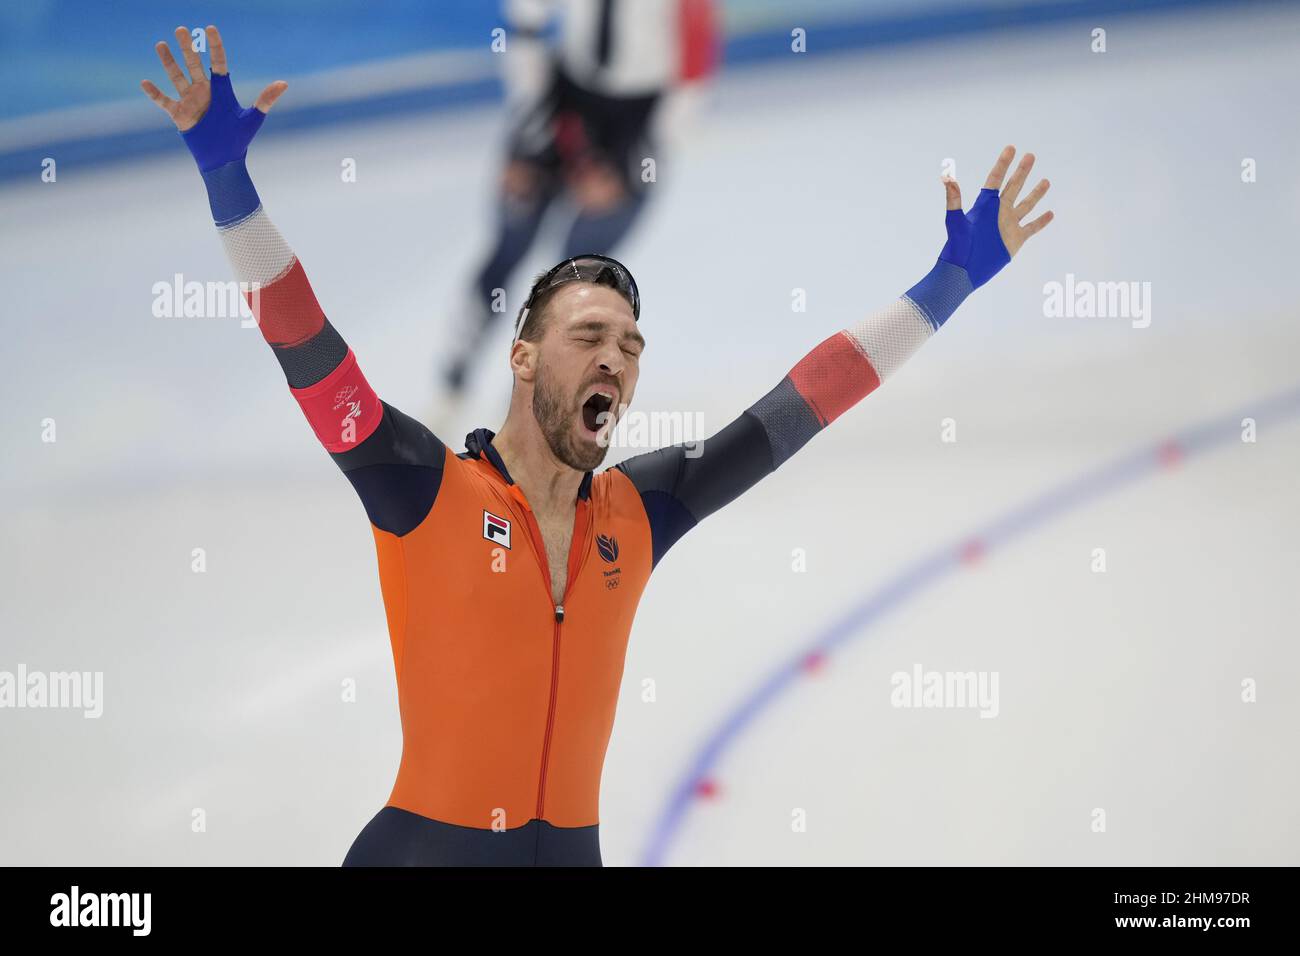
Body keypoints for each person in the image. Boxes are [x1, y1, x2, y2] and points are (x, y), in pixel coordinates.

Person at [141, 24, 1053, 866]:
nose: (614, 358)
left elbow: (800, 406)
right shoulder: (422, 488)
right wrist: (227, 178)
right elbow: (306, 347)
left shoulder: (642, 511)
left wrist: (948, 287)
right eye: (589, 338)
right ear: (525, 357)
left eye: (630, 345)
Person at [435, 0, 717, 415]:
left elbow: (693, 80)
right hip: (565, 97)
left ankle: (539, 396)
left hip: (638, 122)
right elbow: (524, 27)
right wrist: (528, 140)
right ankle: (453, 379)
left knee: (579, 276)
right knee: (512, 233)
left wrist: (629, 171)